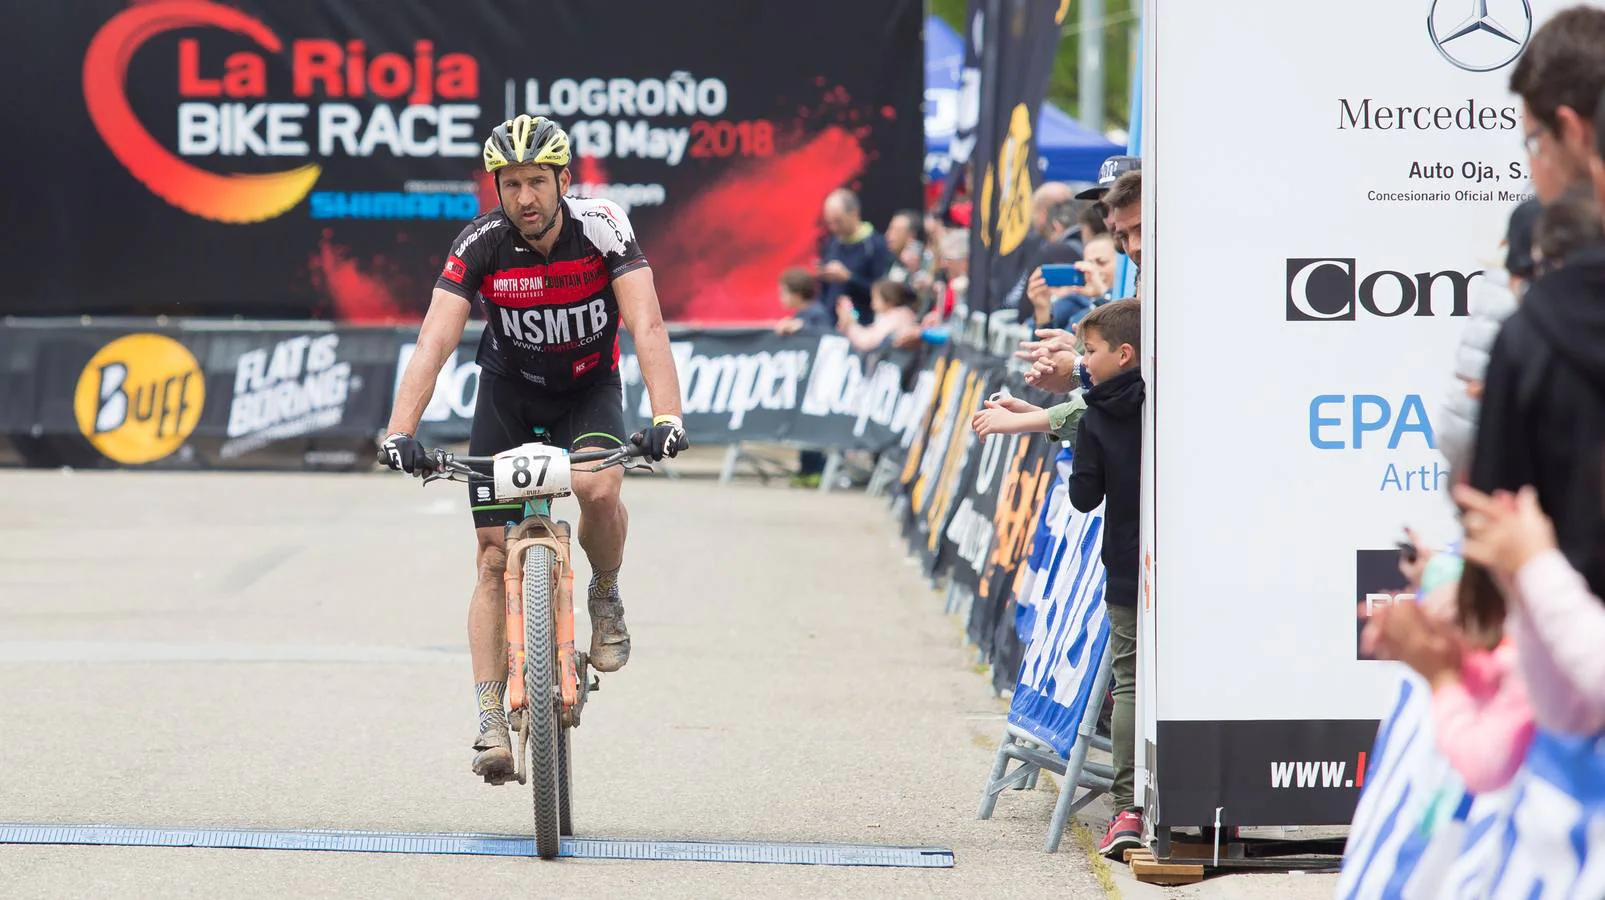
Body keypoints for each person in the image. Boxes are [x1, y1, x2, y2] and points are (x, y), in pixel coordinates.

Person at [379, 115, 688, 784]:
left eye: (537, 182)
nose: (524, 197)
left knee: (598, 488)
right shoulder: (481, 243)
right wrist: (400, 431)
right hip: (508, 397)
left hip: (587, 391)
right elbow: (434, 340)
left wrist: (667, 415)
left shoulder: (603, 226)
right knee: (492, 558)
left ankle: (604, 591)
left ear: (563, 181)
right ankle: (489, 717)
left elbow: (647, 324)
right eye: (511, 183)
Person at [1465, 6, 1605, 608]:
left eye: (1532, 140)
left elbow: (1500, 560)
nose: (1531, 164)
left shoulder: (1534, 338)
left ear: (1573, 132)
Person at [1053, 298, 1146, 858]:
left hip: (1129, 561)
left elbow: (1085, 497)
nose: (1083, 362)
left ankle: (1129, 806)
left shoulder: (1097, 414)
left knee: (1131, 677)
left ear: (1124, 352)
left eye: (1089, 351)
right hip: (1192, 560)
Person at [818, 188, 892, 324]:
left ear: (854, 212)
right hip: (831, 322)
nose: (834, 228)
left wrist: (849, 278)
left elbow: (883, 290)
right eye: (830, 223)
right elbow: (824, 290)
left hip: (862, 322)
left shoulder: (875, 245)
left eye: (838, 221)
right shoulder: (832, 243)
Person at [837, 280, 920, 352]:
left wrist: (850, 324)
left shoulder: (895, 318)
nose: (872, 304)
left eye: (875, 299)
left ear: (889, 302)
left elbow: (868, 342)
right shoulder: (896, 315)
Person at [774, 266, 833, 335]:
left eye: (783, 293)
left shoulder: (817, 312)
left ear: (797, 295)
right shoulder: (799, 313)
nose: (781, 298)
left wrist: (801, 326)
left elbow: (825, 333)